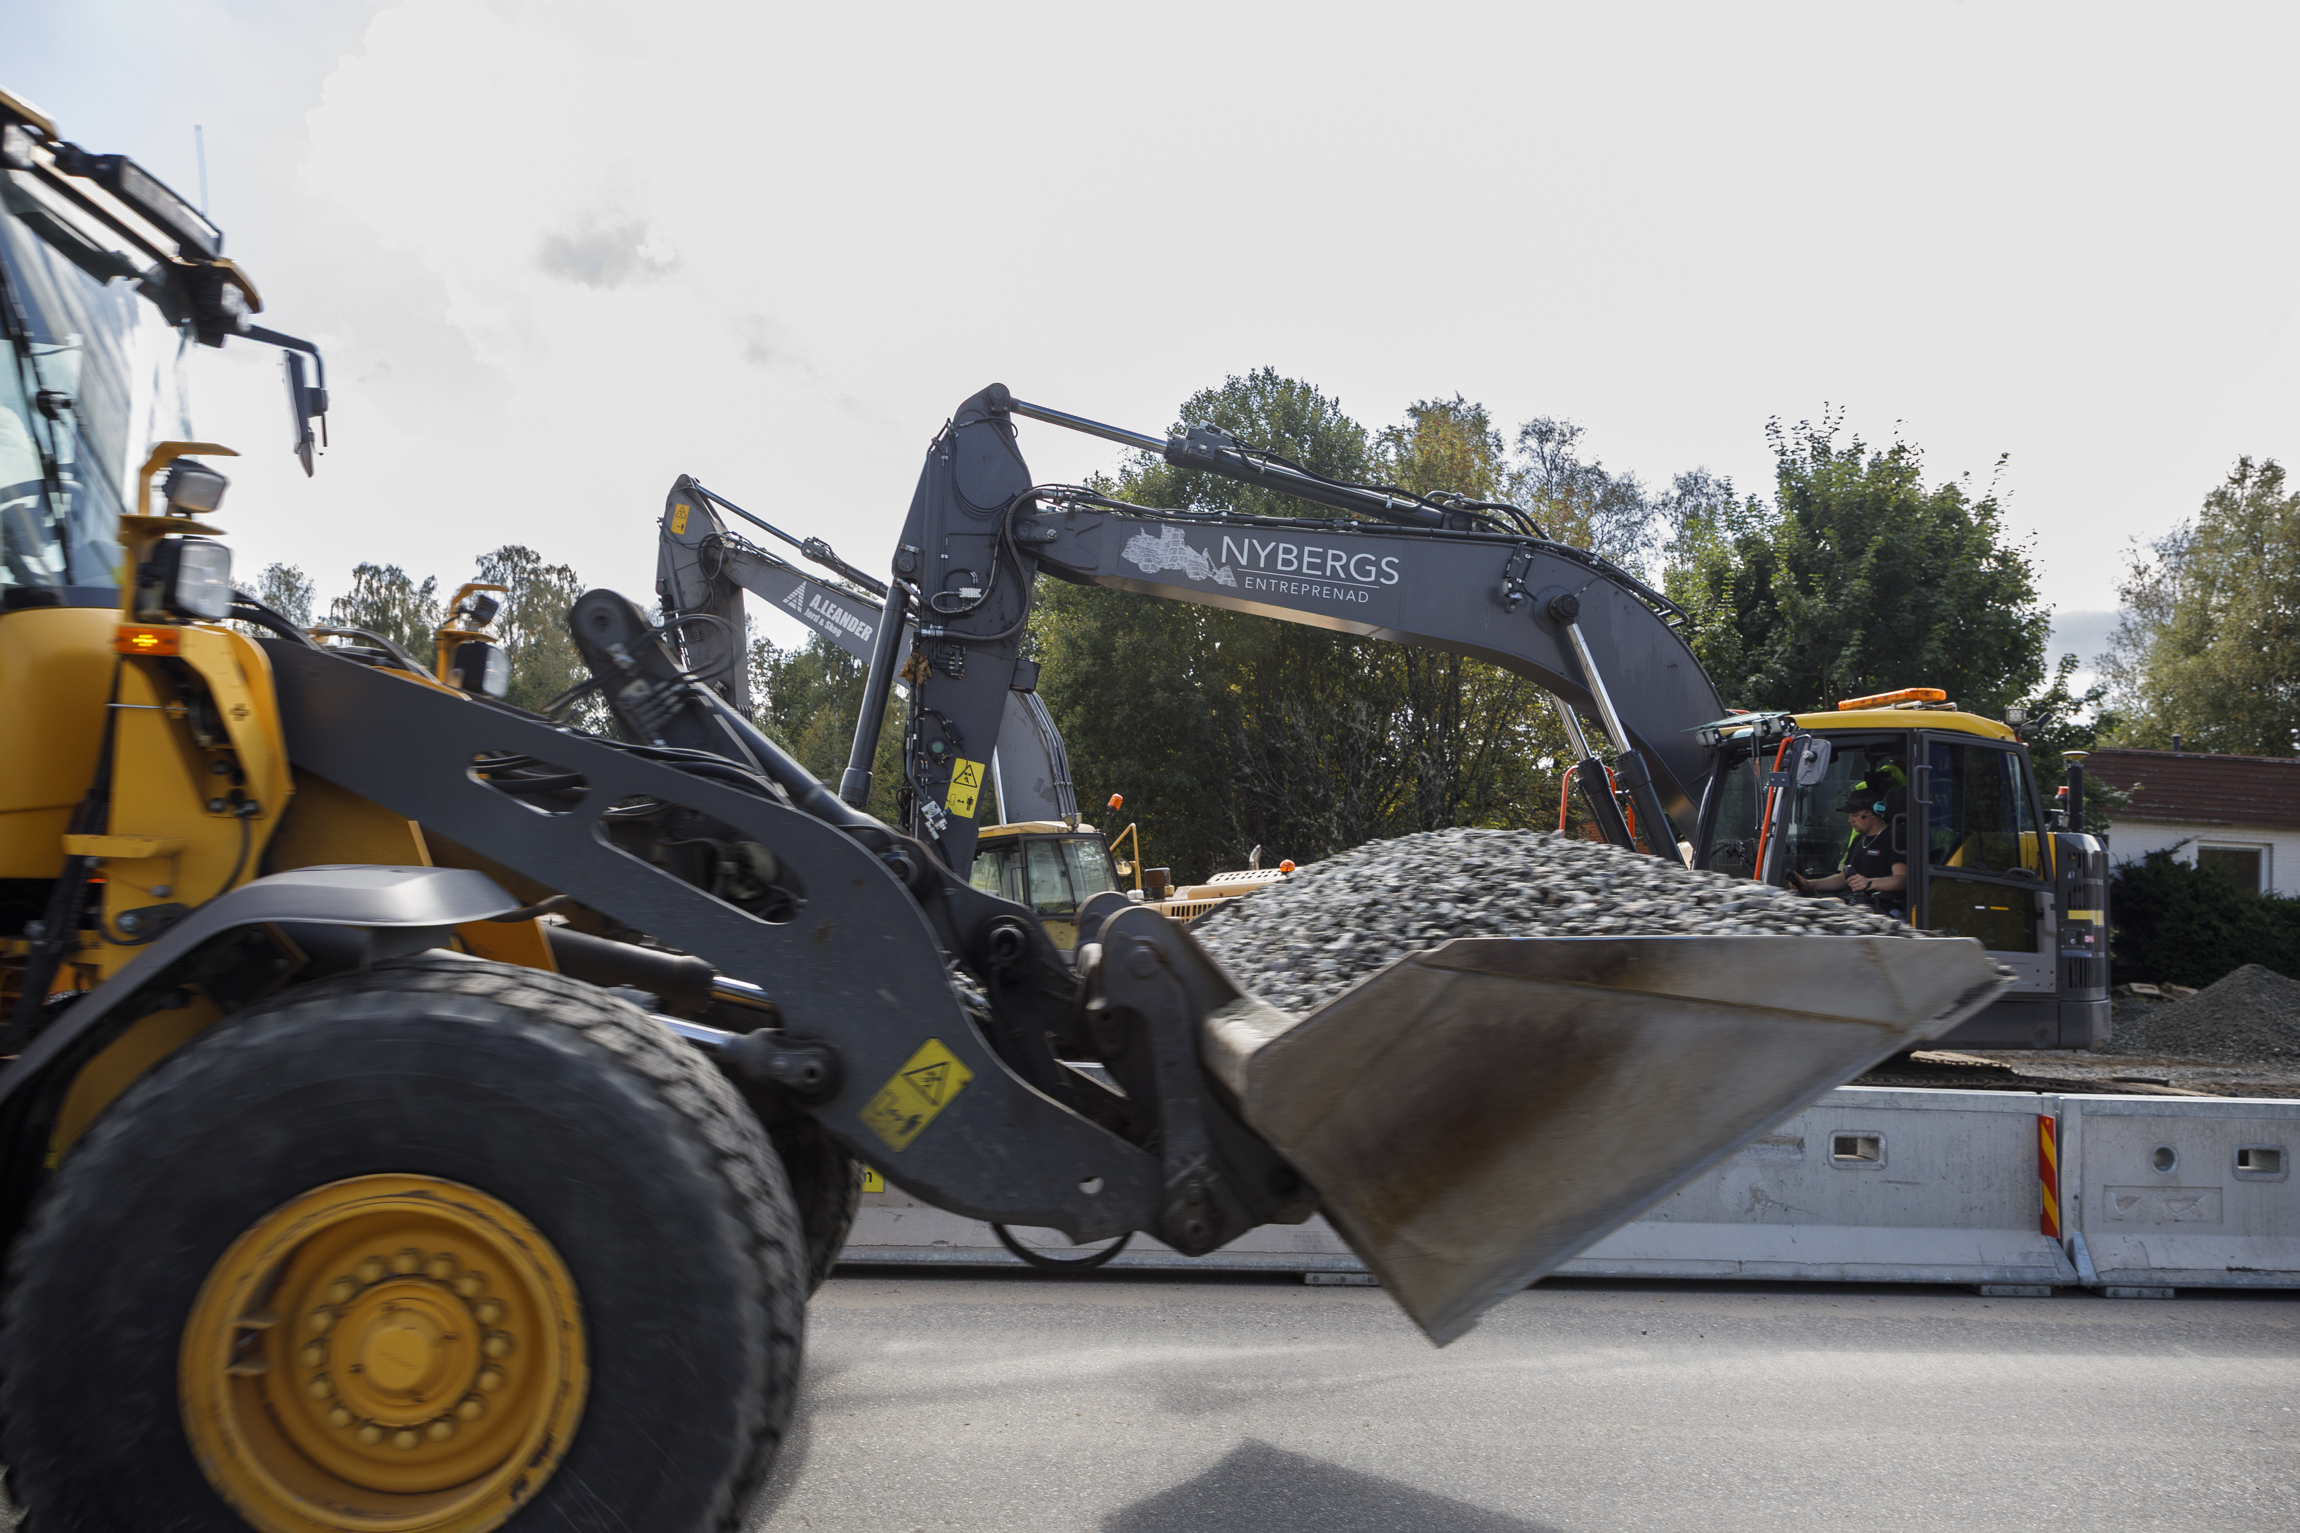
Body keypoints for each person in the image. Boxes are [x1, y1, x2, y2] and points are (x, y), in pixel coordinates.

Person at [1789, 781, 1908, 918]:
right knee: (1800, 906)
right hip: (1852, 899)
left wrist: (1870, 883)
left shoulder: (1895, 837)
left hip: (1877, 904)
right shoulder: (1859, 840)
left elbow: (1903, 879)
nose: (1850, 820)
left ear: (1873, 813)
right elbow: (1843, 878)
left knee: (1813, 909)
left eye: (1855, 814)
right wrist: (1809, 884)